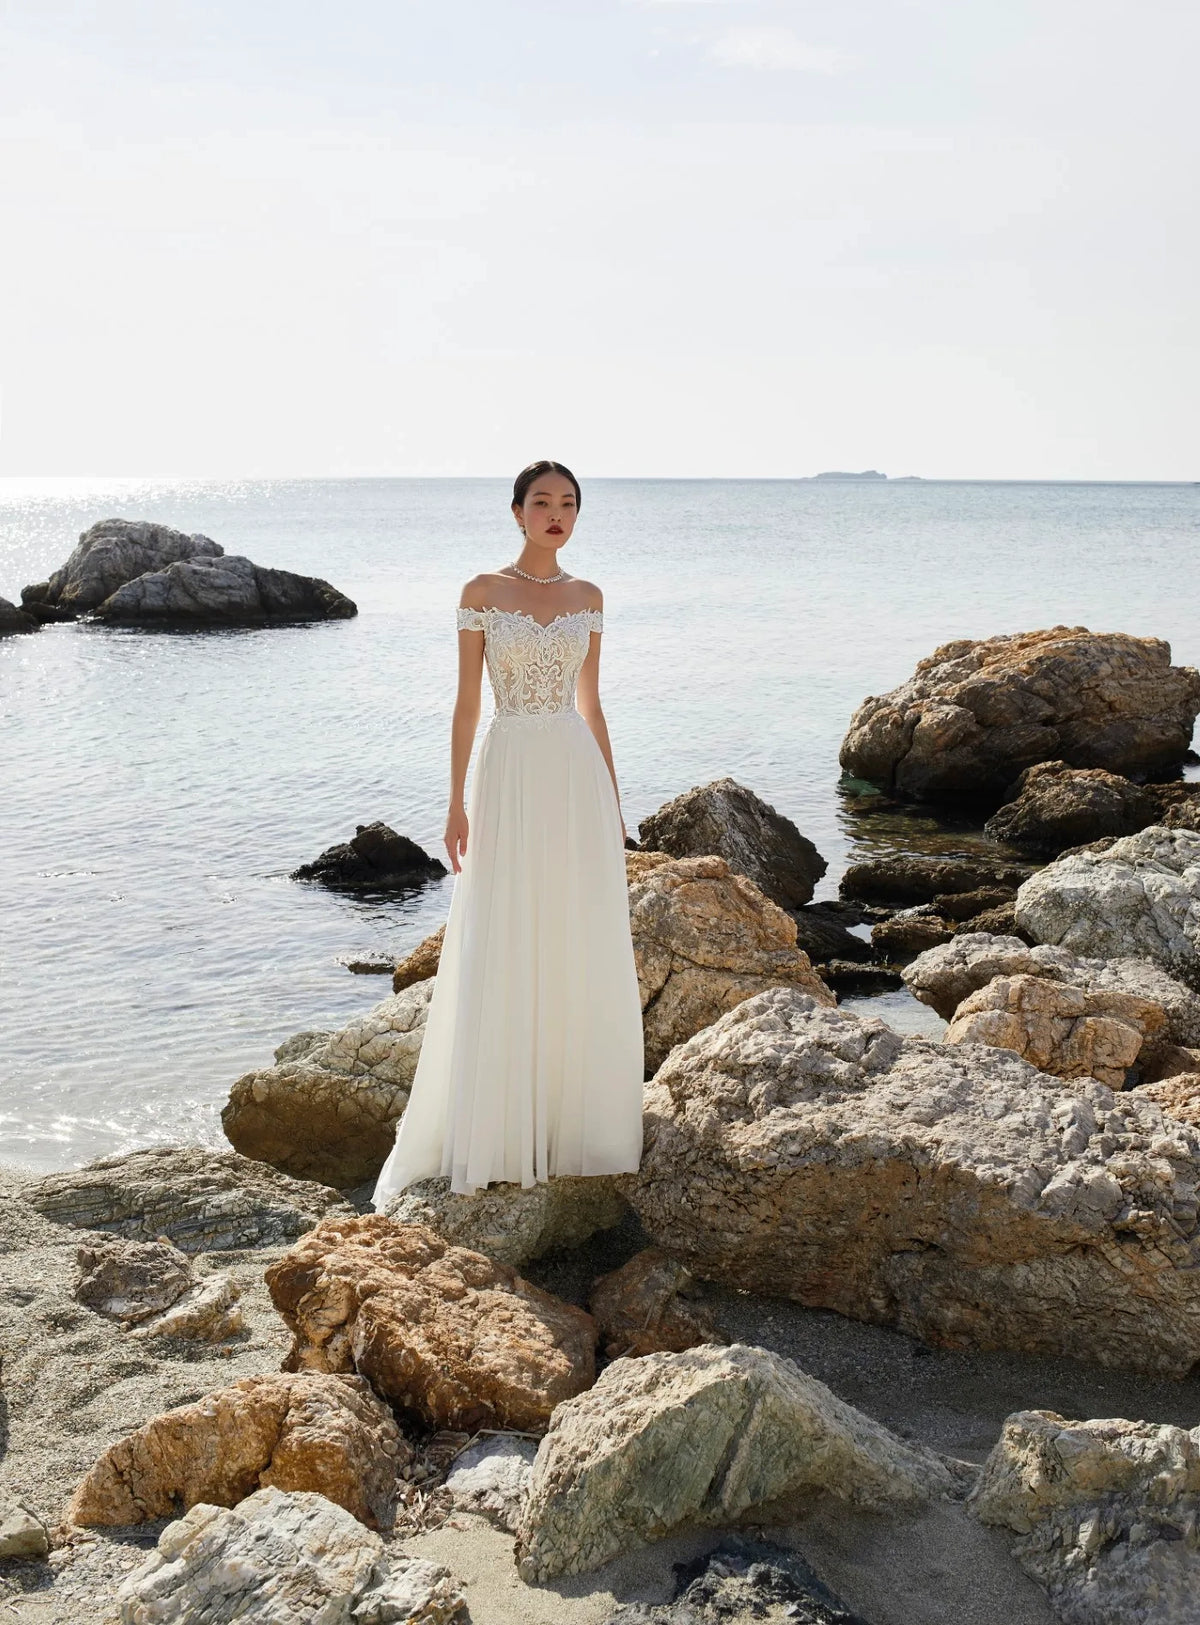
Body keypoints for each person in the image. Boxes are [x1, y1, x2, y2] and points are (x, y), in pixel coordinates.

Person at [371, 459, 645, 1204]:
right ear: (517, 511)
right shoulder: (481, 593)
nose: (556, 513)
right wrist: (455, 802)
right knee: (503, 928)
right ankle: (498, 1127)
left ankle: (574, 1129)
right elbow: (466, 705)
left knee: (572, 930)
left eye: (568, 504)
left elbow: (592, 705)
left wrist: (614, 803)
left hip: (572, 773)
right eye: (542, 502)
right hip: (509, 766)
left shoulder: (590, 597)